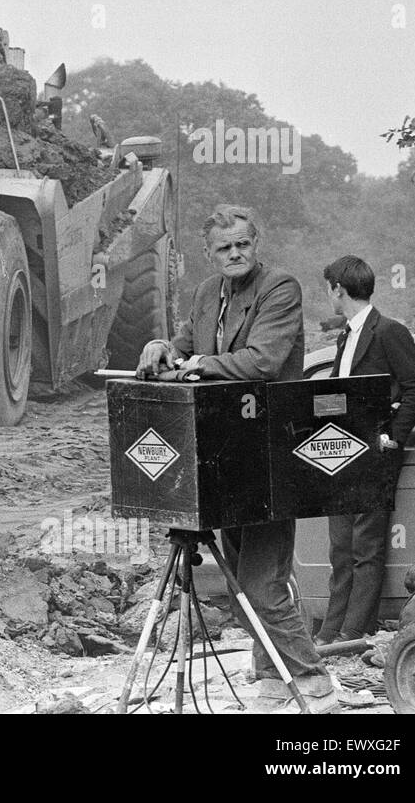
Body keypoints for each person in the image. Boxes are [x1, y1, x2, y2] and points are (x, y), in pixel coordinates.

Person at [136, 204, 337, 712]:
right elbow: (185, 343)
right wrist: (162, 346)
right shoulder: (207, 292)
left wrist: (200, 364)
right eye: (223, 248)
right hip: (226, 458)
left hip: (272, 456)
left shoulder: (280, 288)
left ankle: (314, 683)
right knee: (241, 582)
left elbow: (264, 362)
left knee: (262, 584)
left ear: (256, 244)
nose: (234, 254)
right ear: (208, 255)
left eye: (242, 244)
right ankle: (272, 679)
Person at [316, 255, 415, 644]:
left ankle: (353, 631)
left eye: (328, 289)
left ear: (338, 290)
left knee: (366, 547)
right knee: (340, 547)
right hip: (343, 453)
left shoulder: (389, 332)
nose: (327, 295)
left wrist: (393, 437)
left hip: (375, 454)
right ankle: (332, 629)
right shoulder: (346, 334)